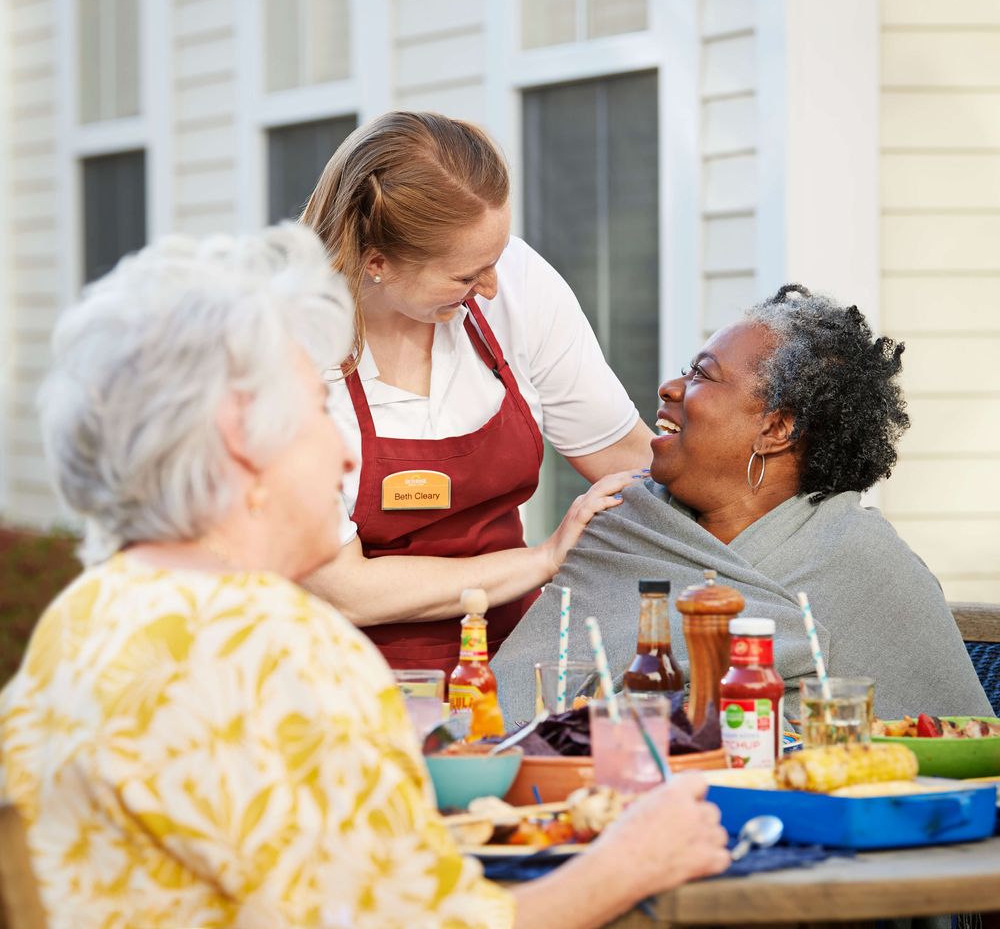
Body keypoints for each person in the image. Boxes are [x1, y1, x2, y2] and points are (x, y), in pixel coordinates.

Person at [0, 225, 729, 929]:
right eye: (318, 411)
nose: (347, 457)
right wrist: (636, 858)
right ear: (237, 434)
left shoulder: (84, 616)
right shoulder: (272, 650)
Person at [492, 285, 992, 724]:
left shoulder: (869, 567)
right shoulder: (618, 528)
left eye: (702, 376)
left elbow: (953, 748)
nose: (669, 387)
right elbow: (513, 711)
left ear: (776, 429)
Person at [299, 111, 652, 671]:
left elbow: (630, 460)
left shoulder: (515, 284)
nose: (489, 286)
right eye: (465, 277)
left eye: (495, 259)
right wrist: (543, 559)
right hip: (351, 690)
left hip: (510, 668)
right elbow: (346, 589)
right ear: (377, 263)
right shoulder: (293, 361)